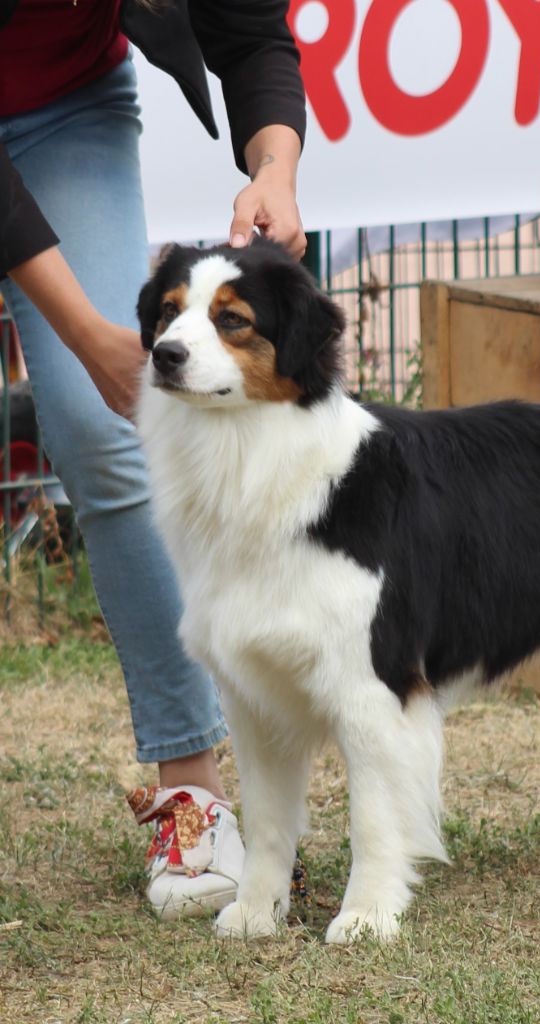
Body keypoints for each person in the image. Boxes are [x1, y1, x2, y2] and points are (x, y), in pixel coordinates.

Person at [0, 0, 307, 919]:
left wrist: (275, 169)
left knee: (104, 430)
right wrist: (87, 333)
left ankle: (195, 791)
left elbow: (251, 31)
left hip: (62, 109)